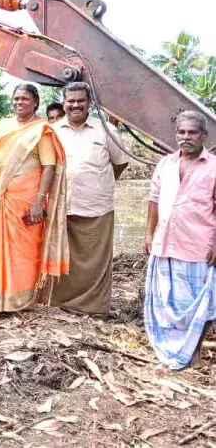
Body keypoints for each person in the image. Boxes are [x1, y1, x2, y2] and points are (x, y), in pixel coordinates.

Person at [0, 83, 69, 312]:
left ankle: (19, 300)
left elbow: (49, 167)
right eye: (16, 98)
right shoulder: (2, 125)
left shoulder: (42, 129)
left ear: (35, 102)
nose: (19, 102)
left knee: (22, 251)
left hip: (25, 201)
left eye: (25, 99)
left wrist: (39, 201)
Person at [143, 111, 216, 369]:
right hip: (165, 243)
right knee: (165, 302)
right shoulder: (165, 164)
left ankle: (193, 353)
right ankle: (170, 351)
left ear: (204, 136)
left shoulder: (214, 166)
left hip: (198, 246)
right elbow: (154, 200)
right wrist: (149, 234)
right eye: (181, 132)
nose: (186, 137)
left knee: (199, 305)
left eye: (192, 132)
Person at [51, 82, 128, 314]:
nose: (75, 105)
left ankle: (94, 308)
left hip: (97, 206)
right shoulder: (53, 131)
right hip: (62, 205)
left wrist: (97, 182)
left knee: (96, 261)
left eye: (80, 101)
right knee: (64, 256)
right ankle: (61, 303)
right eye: (71, 101)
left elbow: (120, 163)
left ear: (89, 103)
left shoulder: (106, 131)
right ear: (64, 103)